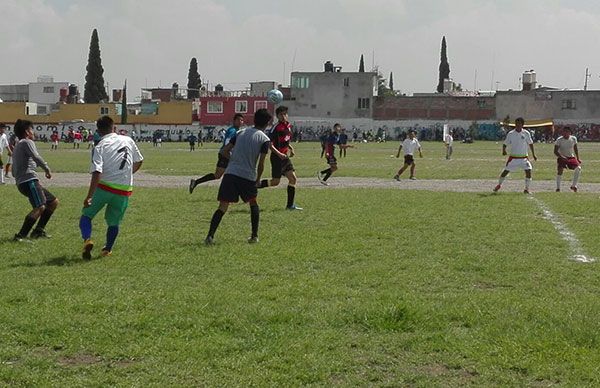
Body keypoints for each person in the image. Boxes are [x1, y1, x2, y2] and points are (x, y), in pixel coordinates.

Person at [79, 116, 144, 259]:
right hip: (124, 190)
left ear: (98, 131)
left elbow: (97, 172)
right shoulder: (128, 140)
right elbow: (139, 161)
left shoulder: (100, 146)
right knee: (114, 222)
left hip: (105, 187)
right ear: (113, 127)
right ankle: (107, 249)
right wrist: (127, 174)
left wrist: (89, 196)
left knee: (86, 215)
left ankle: (87, 240)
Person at [204, 108, 271, 245]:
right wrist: (258, 179)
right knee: (253, 203)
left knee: (222, 206)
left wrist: (233, 160)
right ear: (267, 123)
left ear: (254, 119)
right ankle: (254, 236)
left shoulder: (240, 133)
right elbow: (261, 163)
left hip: (231, 174)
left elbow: (223, 151)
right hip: (247, 176)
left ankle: (210, 236)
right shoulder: (264, 139)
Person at [11, 119, 59, 241]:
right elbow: (36, 157)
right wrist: (47, 169)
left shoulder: (18, 145)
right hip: (29, 180)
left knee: (53, 202)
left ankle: (38, 231)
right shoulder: (27, 142)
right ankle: (20, 235)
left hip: (24, 181)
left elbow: (14, 169)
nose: (33, 132)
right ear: (27, 132)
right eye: (32, 129)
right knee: (40, 206)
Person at [257, 106, 302, 210]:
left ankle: (290, 205)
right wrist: (279, 154)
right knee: (275, 182)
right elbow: (269, 144)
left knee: (293, 179)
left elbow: (285, 140)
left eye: (285, 114)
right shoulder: (276, 127)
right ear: (277, 116)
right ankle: (255, 185)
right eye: (280, 114)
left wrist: (290, 148)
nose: (283, 116)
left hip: (285, 158)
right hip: (277, 158)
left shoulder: (288, 126)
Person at [189, 114, 244, 193]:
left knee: (220, 175)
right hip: (226, 155)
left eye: (242, 120)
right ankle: (237, 192)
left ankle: (196, 182)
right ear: (234, 121)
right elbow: (227, 143)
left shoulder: (235, 130)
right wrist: (230, 154)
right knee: (230, 174)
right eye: (239, 120)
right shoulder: (233, 131)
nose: (240, 122)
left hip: (226, 154)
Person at [493, 117, 537, 194]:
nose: (518, 125)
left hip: (524, 158)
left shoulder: (526, 133)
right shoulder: (511, 134)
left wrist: (533, 154)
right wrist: (504, 150)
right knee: (505, 172)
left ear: (522, 125)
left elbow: (530, 144)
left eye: (519, 124)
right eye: (516, 124)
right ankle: (499, 185)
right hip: (514, 158)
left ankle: (526, 189)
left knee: (528, 171)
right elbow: (505, 143)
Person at [554, 126, 581, 192]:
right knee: (560, 170)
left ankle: (574, 186)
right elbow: (555, 151)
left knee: (578, 168)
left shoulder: (573, 139)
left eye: (567, 131)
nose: (565, 133)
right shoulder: (559, 140)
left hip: (570, 157)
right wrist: (561, 157)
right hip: (562, 157)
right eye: (564, 131)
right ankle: (558, 188)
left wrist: (578, 158)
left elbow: (575, 148)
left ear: (570, 132)